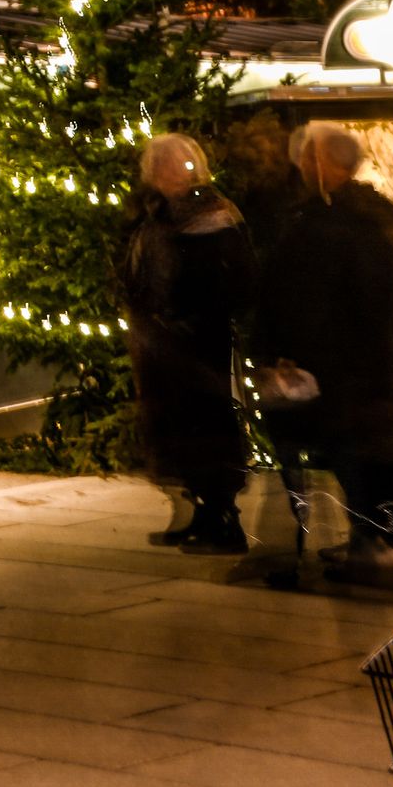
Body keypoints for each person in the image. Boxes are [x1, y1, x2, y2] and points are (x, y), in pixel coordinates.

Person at [253, 119, 393, 588]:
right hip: (362, 360)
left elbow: (303, 294)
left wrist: (284, 350)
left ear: (323, 163)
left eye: (307, 156)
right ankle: (373, 539)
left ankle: (353, 546)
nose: (300, 164)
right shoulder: (374, 216)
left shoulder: (326, 222)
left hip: (328, 364)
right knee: (361, 451)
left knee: (338, 454)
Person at [119, 132, 252, 552]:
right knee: (173, 427)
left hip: (197, 340)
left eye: (181, 165)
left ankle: (223, 519)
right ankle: (200, 512)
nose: (172, 174)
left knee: (205, 424)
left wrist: (186, 319)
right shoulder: (152, 213)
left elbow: (233, 280)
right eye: (162, 166)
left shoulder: (213, 215)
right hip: (159, 342)